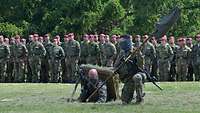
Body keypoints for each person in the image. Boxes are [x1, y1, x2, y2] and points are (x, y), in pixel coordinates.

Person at [114, 35, 146, 104]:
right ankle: (132, 96)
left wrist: (138, 55)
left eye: (122, 42)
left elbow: (141, 67)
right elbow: (116, 66)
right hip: (128, 78)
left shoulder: (135, 51)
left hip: (138, 74)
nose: (121, 44)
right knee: (125, 100)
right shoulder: (122, 53)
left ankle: (139, 99)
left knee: (137, 77)